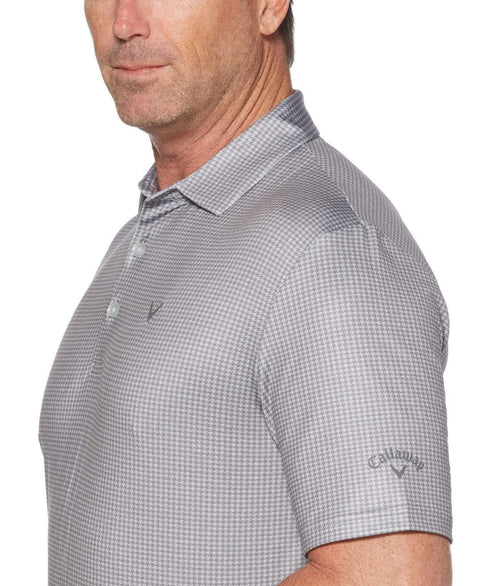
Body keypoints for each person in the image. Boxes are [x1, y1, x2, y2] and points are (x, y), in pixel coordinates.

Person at [37, 0, 453, 584]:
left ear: (269, 6)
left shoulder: (327, 247)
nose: (125, 22)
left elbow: (391, 579)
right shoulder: (147, 236)